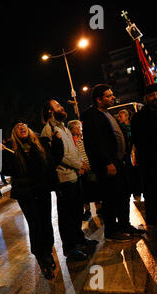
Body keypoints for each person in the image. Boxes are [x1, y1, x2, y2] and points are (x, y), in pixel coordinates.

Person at [82, 84, 145, 242]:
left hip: (119, 162)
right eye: (108, 96)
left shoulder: (106, 113)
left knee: (124, 193)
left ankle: (124, 225)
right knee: (110, 197)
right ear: (98, 99)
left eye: (112, 95)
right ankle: (111, 230)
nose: (112, 98)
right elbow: (96, 142)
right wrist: (107, 162)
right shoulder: (91, 115)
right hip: (108, 164)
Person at [1, 119, 62, 279]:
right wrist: (1, 154)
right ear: (14, 133)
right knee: (35, 225)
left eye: (24, 125)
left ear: (28, 129)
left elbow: (55, 160)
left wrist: (57, 142)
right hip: (25, 193)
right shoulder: (10, 149)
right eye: (17, 126)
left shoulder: (41, 144)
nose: (21, 127)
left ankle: (48, 251)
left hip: (42, 189)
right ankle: (41, 258)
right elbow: (6, 171)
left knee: (46, 222)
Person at [41, 100, 97, 261]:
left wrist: (80, 165)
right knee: (67, 216)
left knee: (76, 212)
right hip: (64, 179)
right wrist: (80, 165)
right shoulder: (48, 130)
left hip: (75, 176)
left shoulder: (63, 127)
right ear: (50, 111)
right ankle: (70, 248)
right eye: (57, 106)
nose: (61, 107)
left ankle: (79, 239)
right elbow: (61, 155)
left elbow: (73, 150)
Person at [132, 83, 157, 241]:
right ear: (146, 98)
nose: (155, 97)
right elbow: (141, 143)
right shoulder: (139, 118)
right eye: (151, 95)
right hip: (155, 165)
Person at [67, 120, 102, 221]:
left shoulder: (85, 139)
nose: (79, 129)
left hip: (91, 166)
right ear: (71, 130)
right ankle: (87, 210)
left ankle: (99, 207)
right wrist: (81, 166)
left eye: (79, 127)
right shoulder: (71, 141)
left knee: (95, 186)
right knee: (84, 191)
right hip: (81, 168)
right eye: (76, 127)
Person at [117, 109, 142, 202]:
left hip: (134, 153)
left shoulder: (132, 127)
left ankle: (137, 195)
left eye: (121, 116)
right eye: (118, 117)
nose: (119, 118)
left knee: (136, 175)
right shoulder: (119, 128)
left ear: (127, 116)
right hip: (126, 155)